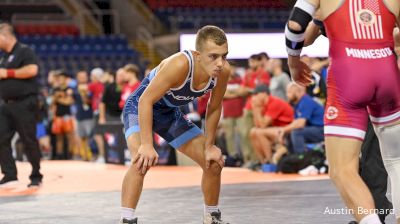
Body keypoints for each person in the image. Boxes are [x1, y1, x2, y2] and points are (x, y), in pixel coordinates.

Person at [285, 0, 400, 223]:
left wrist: (293, 62)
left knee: (342, 169)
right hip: (388, 74)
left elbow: (296, 26)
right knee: (396, 160)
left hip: (349, 78)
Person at [120, 25, 230, 224]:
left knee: (213, 163)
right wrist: (146, 144)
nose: (220, 63)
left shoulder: (222, 71)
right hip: (139, 106)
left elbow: (214, 108)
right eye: (213, 56)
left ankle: (211, 216)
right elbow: (145, 100)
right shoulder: (180, 65)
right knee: (140, 161)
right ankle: (126, 220)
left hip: (168, 113)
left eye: (224, 56)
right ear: (197, 55)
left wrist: (210, 145)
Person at [0, 23, 43, 187]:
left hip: (24, 103)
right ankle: (10, 175)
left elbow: (32, 70)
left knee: (28, 140)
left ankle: (36, 175)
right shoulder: (4, 57)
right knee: (1, 138)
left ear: (5, 36)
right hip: (6, 105)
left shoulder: (24, 51)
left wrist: (8, 73)